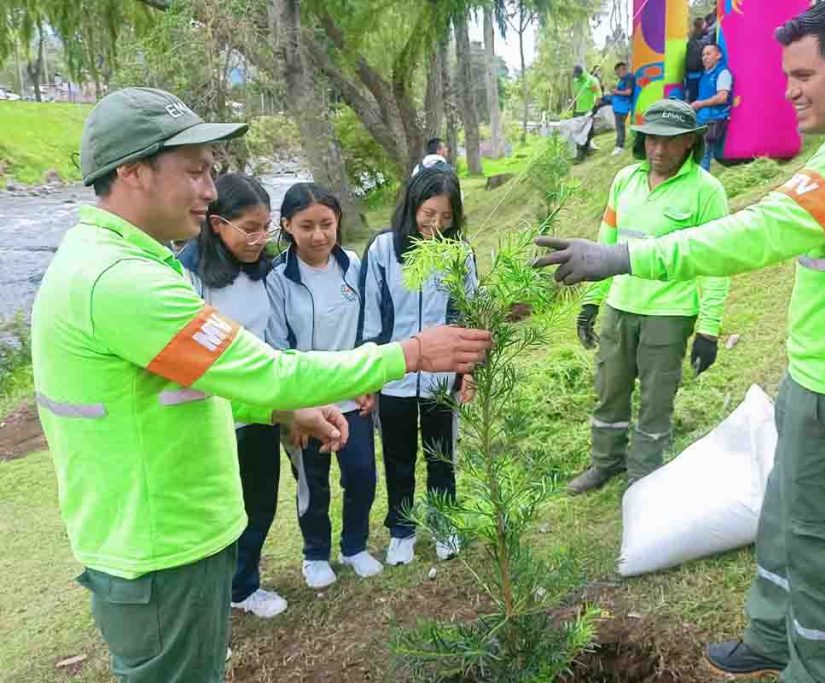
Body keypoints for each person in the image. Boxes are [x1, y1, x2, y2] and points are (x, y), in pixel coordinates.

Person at [534, 3, 825, 680]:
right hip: (818, 378)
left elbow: (761, 232)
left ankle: (817, 668)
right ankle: (770, 636)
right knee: (784, 515)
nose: (789, 90)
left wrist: (630, 257)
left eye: (805, 74)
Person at [31, 87, 492, 682]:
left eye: (211, 172)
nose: (207, 189)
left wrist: (280, 414)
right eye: (195, 172)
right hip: (159, 554)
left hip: (161, 542)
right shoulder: (123, 283)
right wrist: (406, 354)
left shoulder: (119, 261)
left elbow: (194, 382)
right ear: (132, 172)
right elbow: (270, 367)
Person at [568, 99, 730, 495]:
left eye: (670, 142)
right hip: (620, 307)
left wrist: (708, 330)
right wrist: (592, 301)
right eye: (652, 140)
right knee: (609, 391)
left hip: (669, 315)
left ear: (691, 141)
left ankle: (643, 475)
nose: (659, 150)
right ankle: (605, 462)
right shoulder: (625, 180)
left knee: (656, 401)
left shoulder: (707, 192)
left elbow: (717, 264)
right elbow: (606, 246)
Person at [178, 173, 291, 620]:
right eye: (249, 228)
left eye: (266, 227)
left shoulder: (263, 269)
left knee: (260, 502)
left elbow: (273, 339)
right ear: (216, 222)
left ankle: (244, 585)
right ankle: (207, 599)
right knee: (216, 513)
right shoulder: (188, 276)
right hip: (215, 416)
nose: (260, 238)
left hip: (262, 411)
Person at [359, 167, 478, 567]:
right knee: (398, 457)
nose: (436, 225)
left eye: (446, 218)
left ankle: (444, 522)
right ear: (412, 206)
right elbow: (370, 318)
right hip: (395, 377)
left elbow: (468, 315)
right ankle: (402, 529)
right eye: (429, 214)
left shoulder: (459, 253)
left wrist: (468, 372)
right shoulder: (381, 251)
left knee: (441, 455)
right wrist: (370, 376)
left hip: (442, 381)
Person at [266, 183, 383, 586]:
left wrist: (368, 381)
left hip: (353, 397)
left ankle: (355, 546)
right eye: (307, 226)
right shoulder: (278, 277)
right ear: (287, 226)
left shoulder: (352, 263)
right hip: (307, 405)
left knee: (363, 474)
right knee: (312, 483)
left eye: (327, 224)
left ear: (338, 223)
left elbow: (368, 326)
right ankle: (315, 554)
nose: (318, 235)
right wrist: (295, 408)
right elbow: (277, 346)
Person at [691, 43, 733, 171]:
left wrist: (699, 104)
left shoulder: (723, 73)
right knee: (699, 154)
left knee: (704, 155)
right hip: (703, 119)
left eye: (708, 54)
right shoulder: (705, 75)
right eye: (703, 55)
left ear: (718, 55)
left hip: (714, 119)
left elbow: (722, 97)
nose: (705, 57)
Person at [571, 64, 602, 162]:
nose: (576, 77)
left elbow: (598, 95)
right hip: (578, 111)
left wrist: (595, 108)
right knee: (579, 133)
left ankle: (580, 157)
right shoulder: (576, 82)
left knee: (585, 134)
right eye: (575, 75)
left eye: (578, 75)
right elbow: (575, 98)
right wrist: (574, 110)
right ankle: (585, 151)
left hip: (588, 111)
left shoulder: (591, 81)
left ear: (582, 73)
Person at [610, 61, 635, 155]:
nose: (617, 74)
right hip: (618, 107)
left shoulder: (628, 78)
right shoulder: (622, 79)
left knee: (620, 127)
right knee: (619, 126)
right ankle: (619, 145)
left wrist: (616, 92)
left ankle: (619, 146)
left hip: (623, 107)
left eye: (618, 72)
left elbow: (628, 92)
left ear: (623, 69)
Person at [684, 18, 709, 103]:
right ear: (702, 26)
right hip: (698, 71)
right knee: (698, 95)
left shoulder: (691, 39)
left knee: (692, 95)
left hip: (690, 72)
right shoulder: (705, 40)